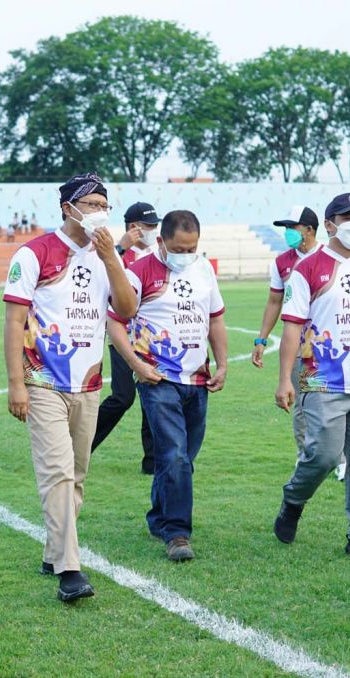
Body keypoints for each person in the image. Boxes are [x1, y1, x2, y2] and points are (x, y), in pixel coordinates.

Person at [3, 171, 136, 602]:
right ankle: (69, 570)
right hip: (43, 380)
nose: (99, 212)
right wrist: (16, 384)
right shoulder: (35, 253)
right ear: (68, 208)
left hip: (89, 382)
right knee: (58, 473)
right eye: (91, 204)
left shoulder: (106, 256)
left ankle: (52, 552)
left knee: (77, 475)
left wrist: (112, 258)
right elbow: (14, 321)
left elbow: (127, 309)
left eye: (104, 205)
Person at [273, 192, 350, 560]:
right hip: (322, 381)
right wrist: (284, 379)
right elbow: (292, 327)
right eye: (349, 217)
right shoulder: (307, 269)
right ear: (329, 225)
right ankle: (293, 499)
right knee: (324, 457)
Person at [109, 210, 228, 561]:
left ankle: (159, 516)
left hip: (198, 380)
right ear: (161, 241)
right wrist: (137, 365)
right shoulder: (138, 271)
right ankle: (177, 534)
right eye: (178, 248)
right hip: (158, 380)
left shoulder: (204, 270)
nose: (186, 254)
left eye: (192, 248)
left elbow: (215, 320)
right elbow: (115, 323)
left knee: (182, 458)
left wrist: (222, 364)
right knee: (174, 455)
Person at [252, 207, 346, 479]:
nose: (287, 232)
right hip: (296, 344)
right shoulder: (281, 262)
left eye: (291, 227)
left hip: (328, 345)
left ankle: (340, 459)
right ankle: (305, 455)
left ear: (308, 229)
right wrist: (261, 339)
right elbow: (274, 302)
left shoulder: (332, 258)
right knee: (301, 402)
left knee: (335, 400)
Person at [91, 201, 161, 474]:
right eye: (149, 226)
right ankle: (81, 444)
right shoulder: (116, 254)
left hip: (149, 339)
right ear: (134, 227)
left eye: (155, 225)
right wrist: (120, 248)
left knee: (151, 397)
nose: (154, 230)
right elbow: (100, 276)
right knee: (123, 397)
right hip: (121, 335)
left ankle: (152, 462)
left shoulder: (158, 254)